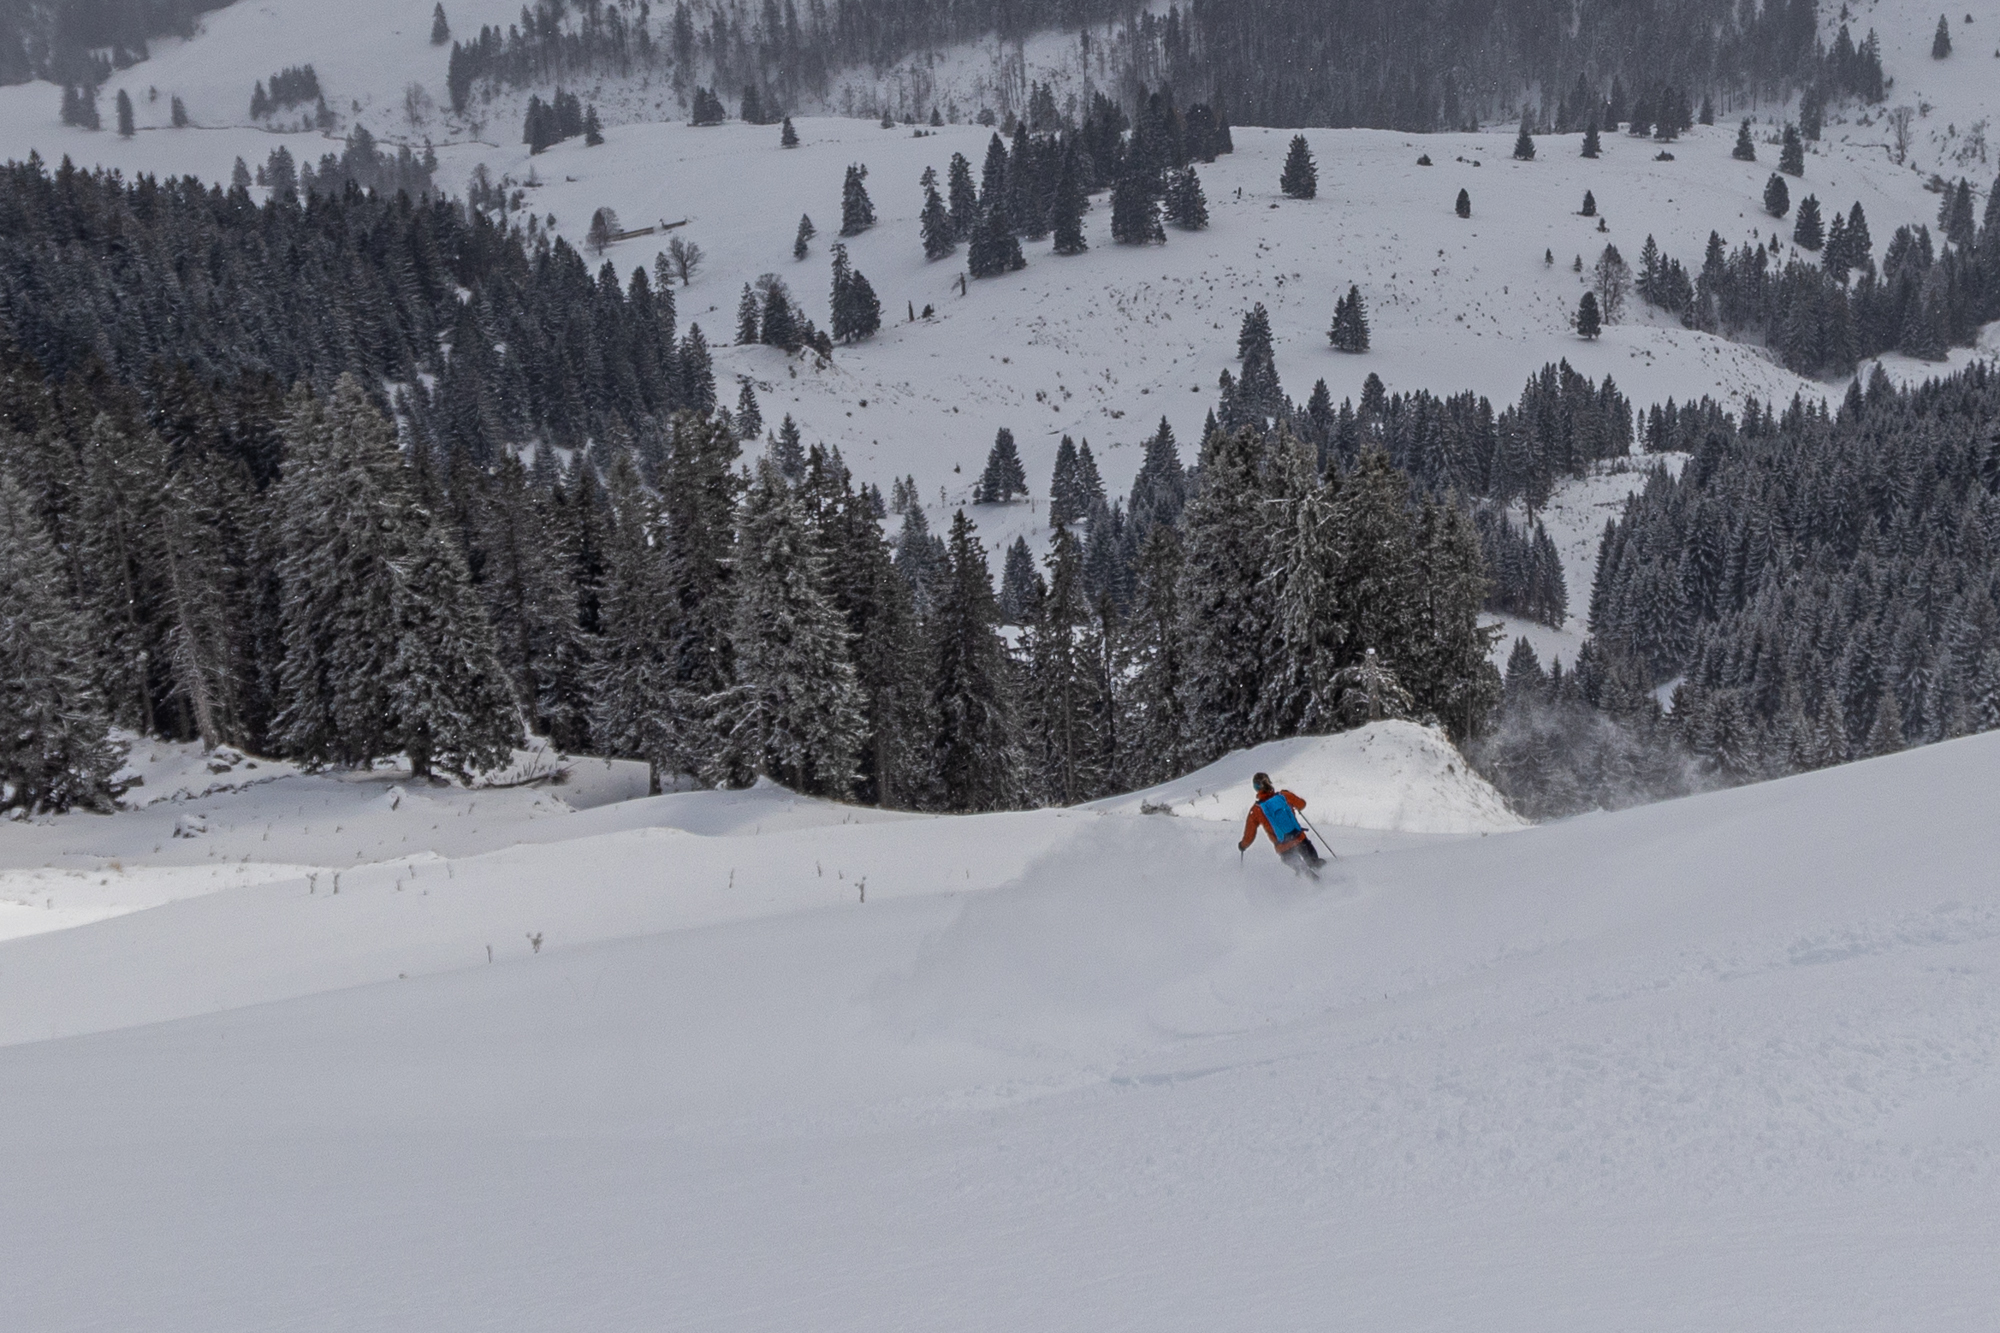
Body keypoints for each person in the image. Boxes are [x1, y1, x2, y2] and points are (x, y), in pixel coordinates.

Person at [1238, 772, 1326, 873]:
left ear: (1256, 788)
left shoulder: (1256, 810)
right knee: (1315, 864)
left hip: (1283, 847)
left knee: (1303, 873)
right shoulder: (1284, 796)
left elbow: (1249, 835)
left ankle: (1312, 884)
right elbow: (1302, 804)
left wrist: (1242, 846)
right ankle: (1333, 882)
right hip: (1299, 839)